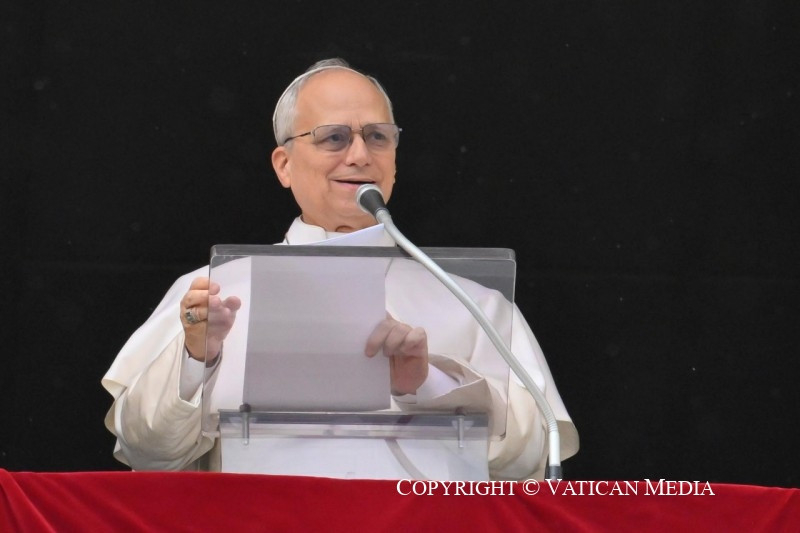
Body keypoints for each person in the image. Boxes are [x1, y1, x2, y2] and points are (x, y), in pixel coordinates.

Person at [102, 58, 579, 480]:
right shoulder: (211, 291)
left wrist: (428, 384)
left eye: (377, 136)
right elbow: (147, 452)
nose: (359, 155)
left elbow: (533, 460)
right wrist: (196, 358)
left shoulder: (474, 304)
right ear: (284, 165)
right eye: (334, 137)